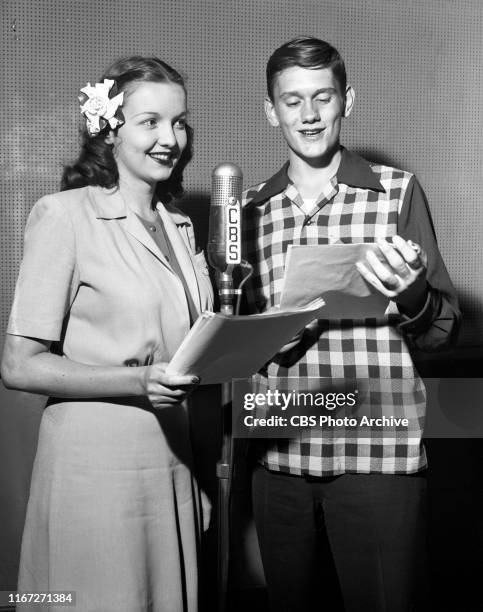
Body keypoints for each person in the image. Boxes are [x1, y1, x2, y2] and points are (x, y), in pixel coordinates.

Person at [242, 37, 460, 612]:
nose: (308, 115)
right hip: (280, 457)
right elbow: (235, 339)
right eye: (292, 101)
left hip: (378, 454)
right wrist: (263, 334)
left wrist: (411, 291)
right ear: (271, 111)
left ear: (348, 101)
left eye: (323, 97)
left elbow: (443, 332)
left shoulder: (397, 193)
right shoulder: (249, 209)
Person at [1, 56, 214, 612]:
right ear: (110, 130)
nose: (170, 138)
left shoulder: (181, 225)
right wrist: (137, 380)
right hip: (95, 474)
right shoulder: (65, 216)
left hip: (171, 465)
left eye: (179, 121)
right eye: (150, 122)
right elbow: (18, 365)